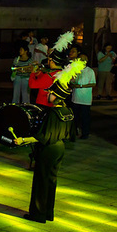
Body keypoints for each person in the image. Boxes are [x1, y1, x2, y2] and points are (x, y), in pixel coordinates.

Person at [13, 60, 81, 223]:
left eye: (49, 92)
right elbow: (71, 133)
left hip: (49, 148)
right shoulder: (68, 111)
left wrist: (23, 140)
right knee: (51, 180)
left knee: (41, 182)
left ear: (56, 96)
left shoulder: (52, 113)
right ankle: (48, 212)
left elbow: (42, 136)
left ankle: (38, 214)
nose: (47, 94)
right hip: (60, 148)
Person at [70, 54, 95, 139]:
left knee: (85, 118)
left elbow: (93, 83)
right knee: (75, 117)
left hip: (85, 99)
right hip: (75, 98)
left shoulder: (90, 71)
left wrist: (81, 86)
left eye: (83, 59)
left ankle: (85, 133)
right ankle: (74, 132)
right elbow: (71, 82)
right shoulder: (75, 70)